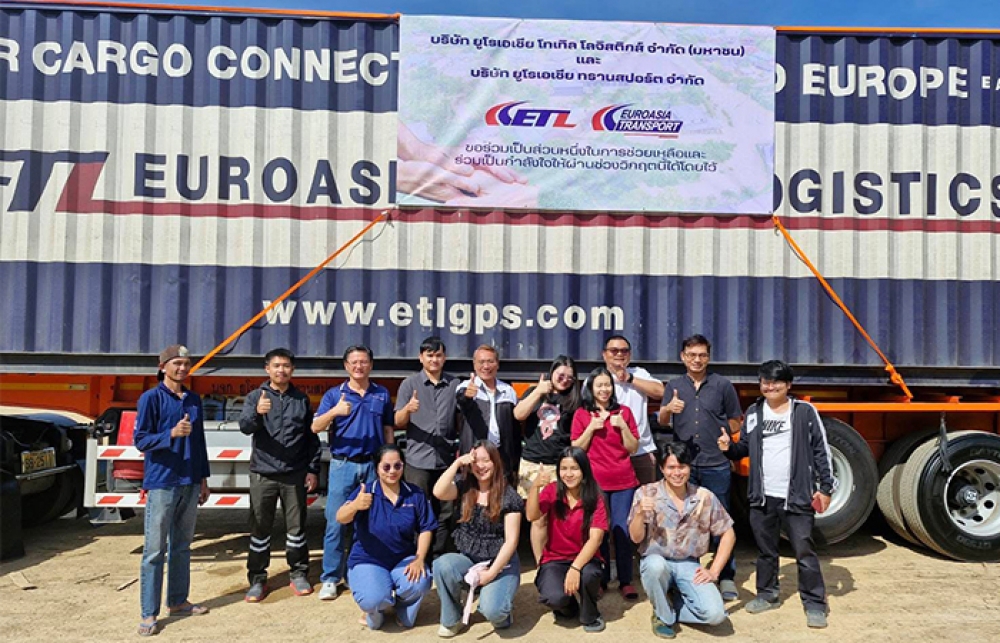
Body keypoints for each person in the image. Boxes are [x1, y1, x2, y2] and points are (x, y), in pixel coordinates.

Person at [718, 360, 835, 629]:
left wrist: (825, 488)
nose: (770, 387)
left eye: (776, 382)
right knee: (766, 550)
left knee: (804, 550)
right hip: (762, 495)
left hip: (797, 495)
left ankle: (815, 604)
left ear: (788, 385)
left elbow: (821, 450)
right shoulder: (754, 411)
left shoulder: (804, 411)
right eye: (765, 382)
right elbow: (744, 447)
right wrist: (728, 448)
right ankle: (767, 594)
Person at [657, 334, 743, 601]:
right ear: (683, 357)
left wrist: (725, 435)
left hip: (715, 463)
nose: (697, 360)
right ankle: (687, 574)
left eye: (702, 355)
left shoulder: (722, 385)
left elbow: (736, 420)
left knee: (721, 522)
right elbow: (662, 420)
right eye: (692, 355)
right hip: (684, 467)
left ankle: (725, 575)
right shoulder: (674, 385)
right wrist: (668, 408)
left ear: (708, 357)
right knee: (684, 522)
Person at [133, 345, 211, 637]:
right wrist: (171, 434)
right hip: (162, 482)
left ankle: (178, 601)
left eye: (186, 363)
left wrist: (203, 479)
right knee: (154, 550)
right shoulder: (150, 399)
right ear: (163, 366)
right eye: (176, 363)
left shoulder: (193, 399)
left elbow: (200, 442)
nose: (182, 368)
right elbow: (141, 440)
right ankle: (148, 613)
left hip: (189, 480)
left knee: (181, 545)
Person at [312, 344, 395, 600]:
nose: (359, 366)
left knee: (367, 523)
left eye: (364, 361)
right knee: (336, 522)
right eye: (354, 362)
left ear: (371, 364)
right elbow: (315, 427)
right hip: (343, 465)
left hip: (372, 466)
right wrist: (335, 412)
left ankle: (357, 571)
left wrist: (389, 460)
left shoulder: (381, 394)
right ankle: (330, 578)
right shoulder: (334, 394)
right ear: (346, 366)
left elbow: (388, 429)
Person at [628, 440, 734, 639]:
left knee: (715, 615)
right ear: (662, 469)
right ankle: (662, 616)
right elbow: (635, 538)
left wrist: (714, 571)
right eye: (671, 467)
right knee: (655, 567)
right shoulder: (646, 493)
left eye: (682, 467)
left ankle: (671, 603)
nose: (677, 473)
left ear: (689, 467)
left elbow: (728, 533)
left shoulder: (704, 496)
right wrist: (640, 514)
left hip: (688, 563)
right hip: (656, 560)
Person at [238, 348, 320, 601]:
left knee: (296, 529)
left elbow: (310, 438)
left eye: (286, 366)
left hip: (294, 474)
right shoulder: (256, 397)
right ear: (267, 369)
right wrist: (257, 412)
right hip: (263, 474)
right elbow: (245, 427)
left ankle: (298, 573)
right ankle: (257, 579)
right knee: (260, 528)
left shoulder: (300, 399)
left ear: (292, 369)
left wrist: (312, 469)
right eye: (276, 366)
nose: (281, 370)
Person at [336, 445, 437, 630]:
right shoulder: (366, 492)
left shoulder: (415, 494)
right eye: (386, 467)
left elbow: (426, 528)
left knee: (421, 582)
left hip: (402, 558)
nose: (392, 471)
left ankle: (402, 607)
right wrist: (355, 506)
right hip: (368, 559)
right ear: (377, 468)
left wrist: (419, 558)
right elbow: (340, 517)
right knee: (373, 600)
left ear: (403, 466)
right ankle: (375, 611)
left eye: (397, 466)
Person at [432, 441, 522, 637]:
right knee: (442, 565)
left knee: (494, 611)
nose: (481, 466)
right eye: (476, 461)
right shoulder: (464, 487)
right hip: (469, 559)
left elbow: (511, 541)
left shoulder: (509, 496)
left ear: (495, 462)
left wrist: (490, 574)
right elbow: (438, 491)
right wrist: (457, 464)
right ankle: (452, 619)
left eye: (486, 460)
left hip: (500, 564)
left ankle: (502, 612)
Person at [571, 366, 640, 599]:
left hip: (623, 482)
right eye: (599, 385)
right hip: (595, 482)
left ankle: (625, 580)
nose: (604, 389)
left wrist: (622, 427)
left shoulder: (624, 412)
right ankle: (600, 578)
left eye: (607, 384)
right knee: (598, 530)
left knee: (621, 530)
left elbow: (633, 447)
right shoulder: (582, 414)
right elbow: (576, 447)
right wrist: (591, 428)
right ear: (591, 388)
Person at [525, 447, 607, 633]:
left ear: (584, 470)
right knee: (553, 597)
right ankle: (569, 607)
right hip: (555, 558)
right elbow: (532, 516)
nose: (568, 474)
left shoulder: (595, 497)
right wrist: (535, 487)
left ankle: (590, 614)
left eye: (574, 468)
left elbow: (595, 539)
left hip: (585, 558)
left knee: (589, 575)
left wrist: (575, 568)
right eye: (564, 468)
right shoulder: (552, 490)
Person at [394, 336, 460, 558]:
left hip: (445, 460)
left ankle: (437, 557)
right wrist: (407, 409)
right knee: (417, 509)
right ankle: (416, 557)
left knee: (445, 512)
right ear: (421, 358)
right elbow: (398, 421)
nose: (434, 359)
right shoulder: (409, 384)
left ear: (444, 358)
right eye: (429, 355)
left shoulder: (454, 384)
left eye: (438, 355)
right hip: (417, 461)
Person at [514, 355, 582, 562]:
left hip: (559, 466)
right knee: (538, 518)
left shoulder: (575, 400)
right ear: (552, 373)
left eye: (570, 378)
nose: (564, 380)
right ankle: (541, 564)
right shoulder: (534, 392)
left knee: (559, 516)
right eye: (561, 375)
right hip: (533, 463)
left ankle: (558, 559)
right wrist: (538, 392)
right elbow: (518, 414)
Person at [602, 335, 665, 486]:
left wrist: (630, 378)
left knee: (647, 497)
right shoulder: (597, 378)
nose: (619, 354)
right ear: (604, 354)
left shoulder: (639, 373)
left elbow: (661, 391)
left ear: (629, 355)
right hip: (609, 454)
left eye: (624, 351)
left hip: (642, 451)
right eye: (614, 350)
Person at [456, 345, 520, 485]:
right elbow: (461, 401)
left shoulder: (508, 391)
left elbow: (516, 426)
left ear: (497, 364)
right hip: (474, 458)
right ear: (474, 365)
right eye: (481, 362)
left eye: (490, 361)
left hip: (502, 458)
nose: (486, 366)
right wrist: (467, 395)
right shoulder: (466, 386)